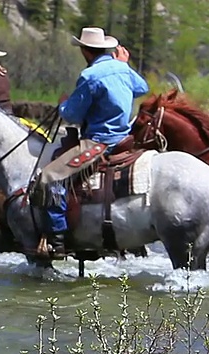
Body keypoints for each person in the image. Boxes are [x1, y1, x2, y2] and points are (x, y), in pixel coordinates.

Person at [37, 27, 150, 258]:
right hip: (125, 138)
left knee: (48, 178)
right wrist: (124, 65)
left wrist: (63, 104)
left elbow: (72, 116)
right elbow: (143, 88)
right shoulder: (122, 69)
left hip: (99, 142)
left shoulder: (89, 76)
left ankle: (57, 240)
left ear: (85, 51)